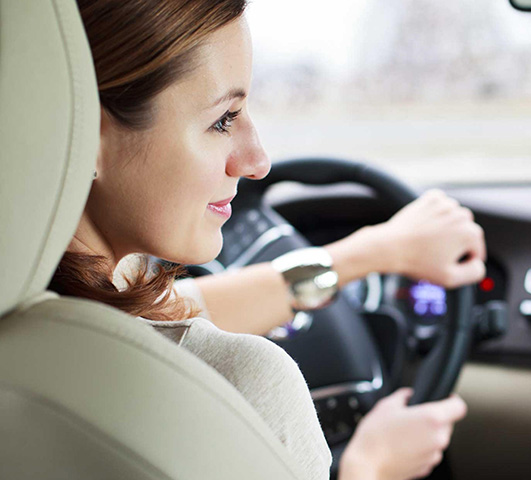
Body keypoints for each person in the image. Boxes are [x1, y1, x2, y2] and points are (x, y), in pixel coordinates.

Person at [48, 1, 488, 479]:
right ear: (89, 135)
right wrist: (372, 466)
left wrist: (375, 252)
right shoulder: (241, 384)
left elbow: (172, 312)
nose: (258, 161)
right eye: (223, 119)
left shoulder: (40, 302)